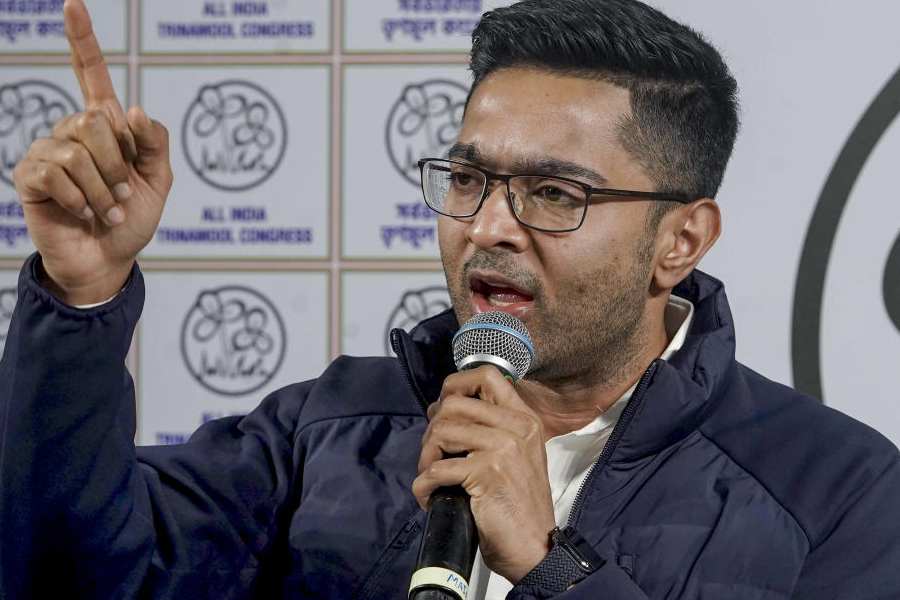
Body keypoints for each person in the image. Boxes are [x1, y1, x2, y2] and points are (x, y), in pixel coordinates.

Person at [1, 0, 898, 598]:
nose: (488, 226)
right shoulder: (326, 429)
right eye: (468, 178)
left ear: (682, 240)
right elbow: (65, 574)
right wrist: (81, 298)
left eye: (555, 193)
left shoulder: (838, 490)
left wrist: (549, 568)